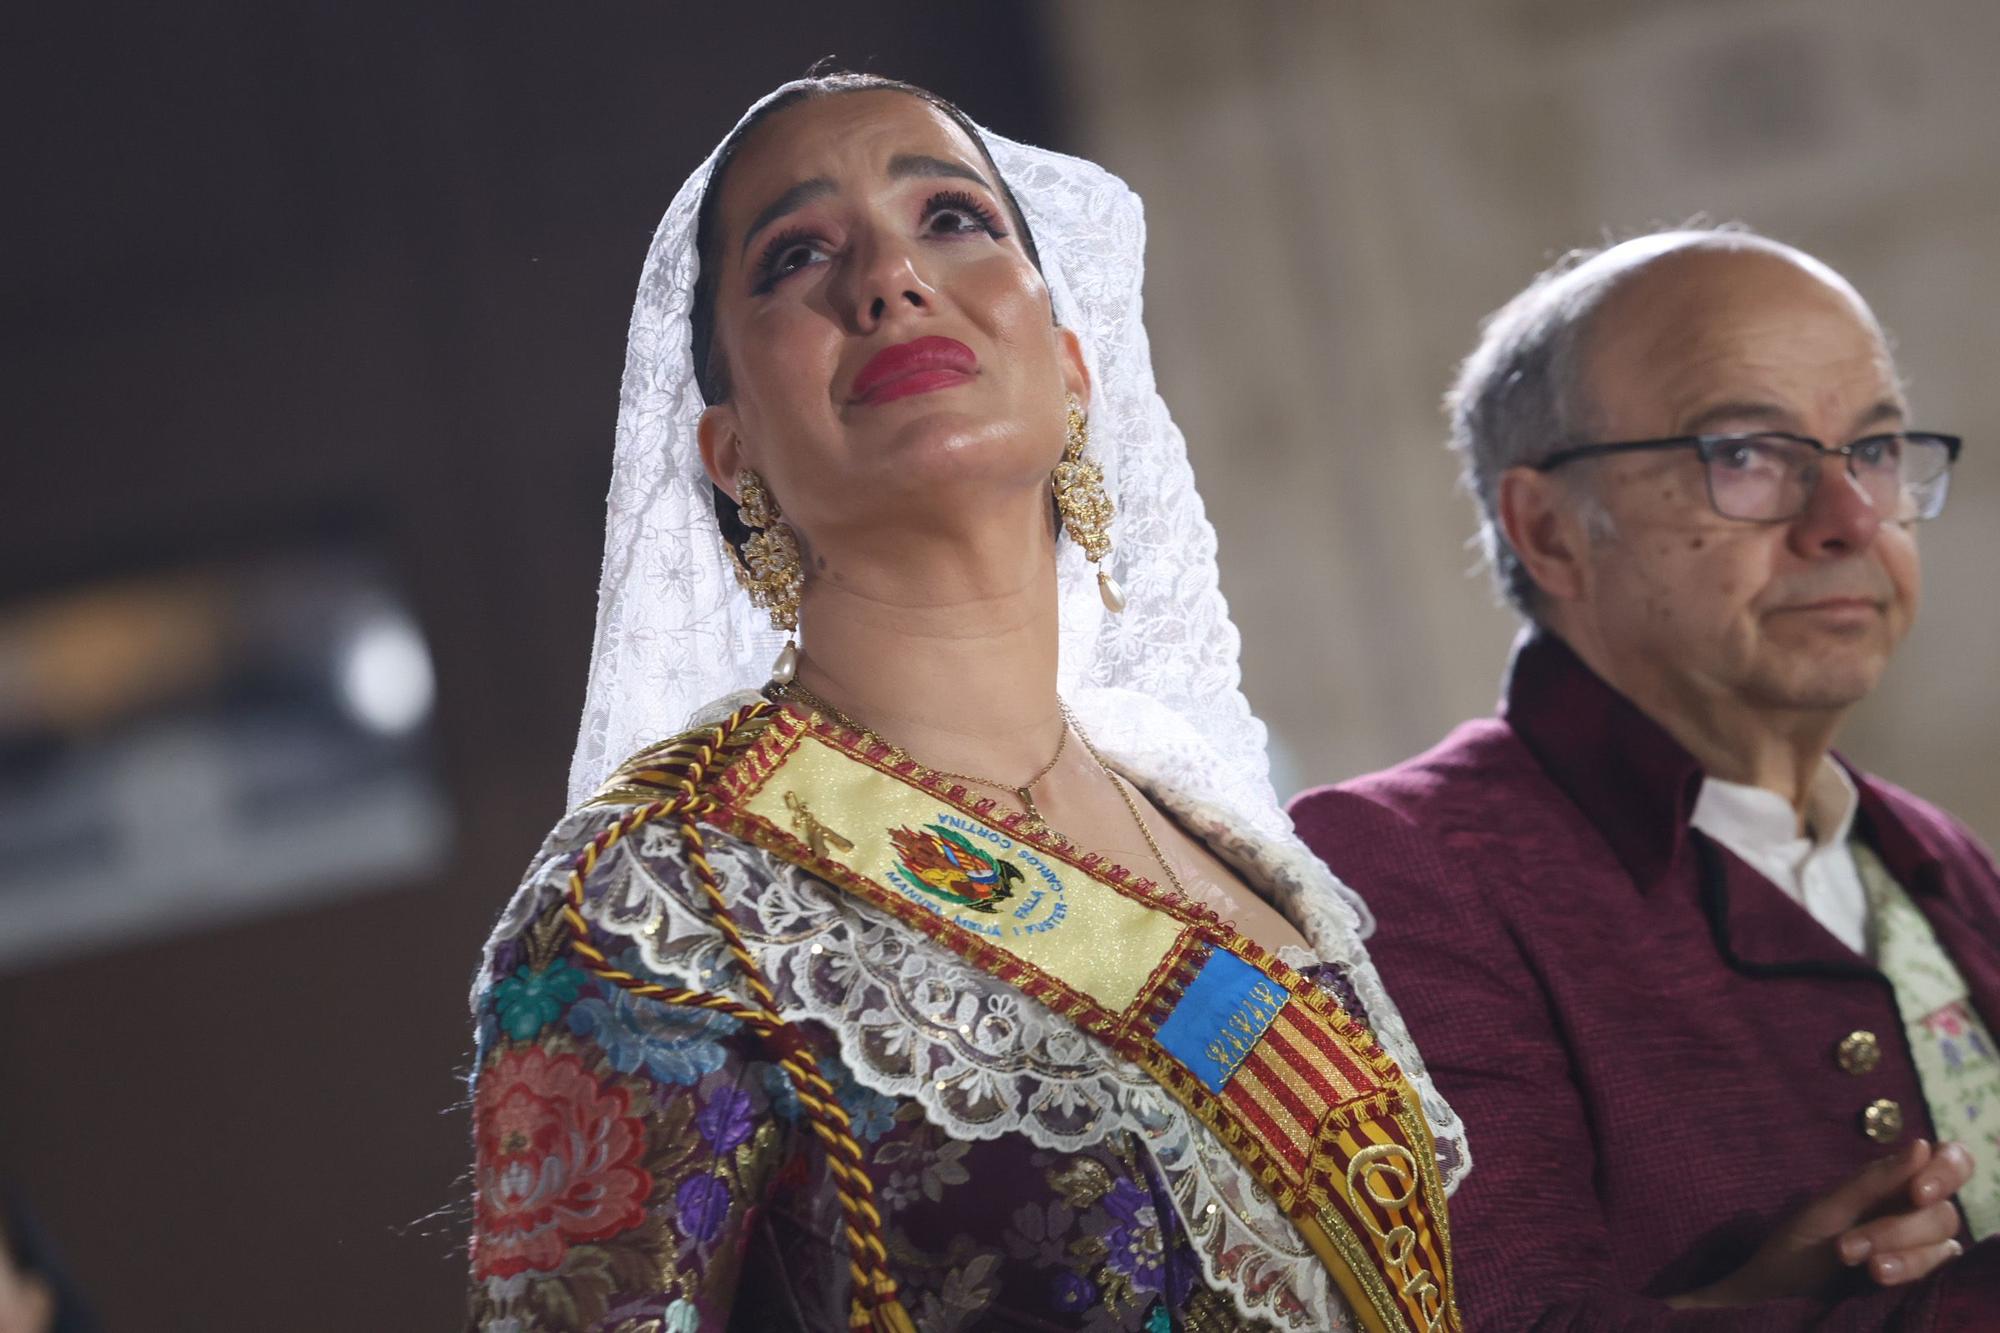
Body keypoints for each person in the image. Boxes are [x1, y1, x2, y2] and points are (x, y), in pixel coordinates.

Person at [466, 73, 1467, 1333]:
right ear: (732, 454)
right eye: (796, 255)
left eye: (952, 219)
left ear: (1069, 370)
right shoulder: (660, 896)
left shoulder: (1221, 839)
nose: (888, 280)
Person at [1290, 228, 2000, 1329]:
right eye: (1746, 454)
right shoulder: (1393, 865)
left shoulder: (1932, 855)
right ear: (1549, 531)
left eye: (1870, 449)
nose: (1849, 519)